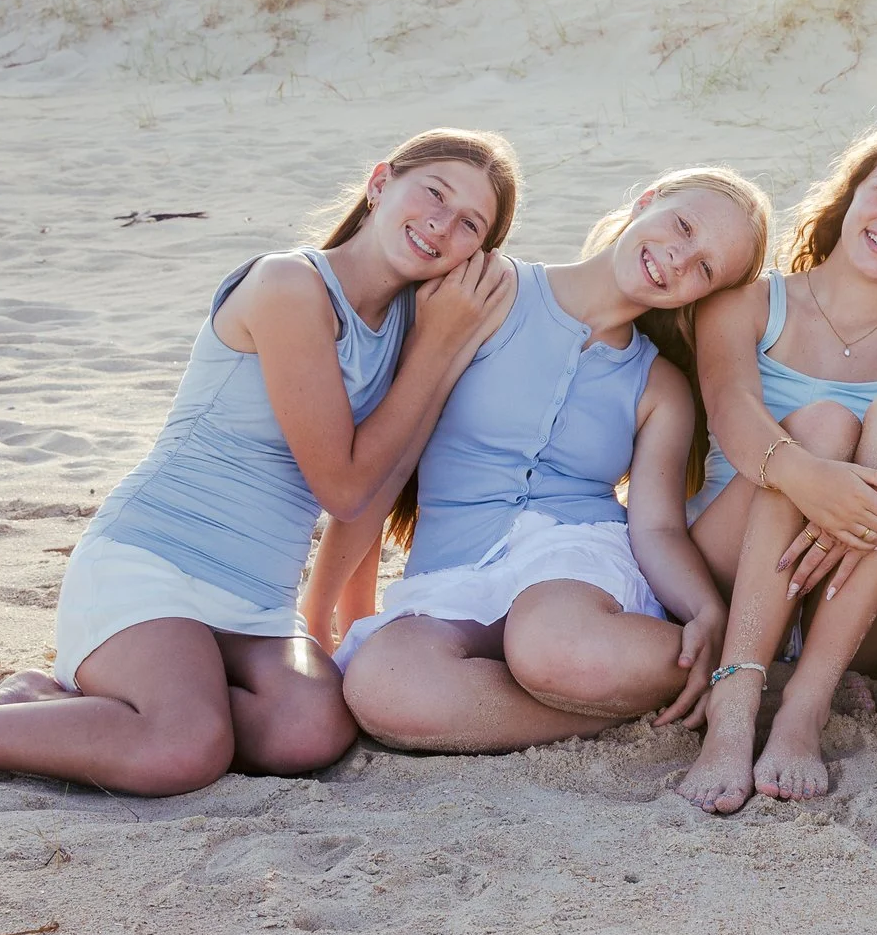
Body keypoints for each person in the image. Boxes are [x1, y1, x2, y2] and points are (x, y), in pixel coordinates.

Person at [0, 131, 520, 795]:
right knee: (185, 745)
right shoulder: (289, 286)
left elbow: (383, 482)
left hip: (253, 605)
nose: (442, 224)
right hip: (153, 563)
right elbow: (342, 484)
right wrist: (437, 352)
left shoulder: (409, 330)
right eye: (434, 193)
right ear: (378, 185)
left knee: (312, 727)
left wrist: (342, 617)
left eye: (469, 224)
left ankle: (55, 708)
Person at [307, 169, 771, 755]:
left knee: (550, 646)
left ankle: (630, 671)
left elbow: (654, 526)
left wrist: (704, 608)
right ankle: (602, 708)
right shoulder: (489, 291)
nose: (680, 258)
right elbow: (387, 460)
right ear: (647, 200)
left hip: (575, 565)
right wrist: (325, 612)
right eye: (682, 226)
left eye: (705, 268)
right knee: (383, 687)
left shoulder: (660, 386)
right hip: (452, 573)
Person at [676, 117, 877, 812]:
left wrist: (875, 502)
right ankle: (736, 696)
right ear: (850, 191)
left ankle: (805, 703)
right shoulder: (751, 301)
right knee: (822, 422)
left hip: (867, 607)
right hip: (737, 570)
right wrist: (815, 483)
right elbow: (733, 410)